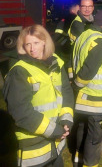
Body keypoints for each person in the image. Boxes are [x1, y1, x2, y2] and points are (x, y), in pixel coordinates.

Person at [3, 24, 74, 167]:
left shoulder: (55, 63)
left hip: (55, 143)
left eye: (36, 43)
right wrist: (54, 130)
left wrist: (66, 120)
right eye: (27, 44)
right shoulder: (19, 71)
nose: (32, 48)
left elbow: (66, 92)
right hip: (34, 146)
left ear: (44, 42)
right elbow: (21, 112)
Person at [70, 9, 102, 167]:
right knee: (95, 138)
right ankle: (91, 164)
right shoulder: (101, 41)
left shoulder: (84, 35)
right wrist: (78, 83)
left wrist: (75, 87)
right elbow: (88, 70)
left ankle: (78, 160)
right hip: (96, 100)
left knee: (82, 129)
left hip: (82, 99)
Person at [53, 3, 79, 80]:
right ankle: (69, 79)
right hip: (67, 47)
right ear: (72, 10)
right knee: (69, 64)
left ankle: (69, 79)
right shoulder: (72, 19)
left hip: (65, 47)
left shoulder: (66, 19)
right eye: (78, 9)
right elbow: (59, 35)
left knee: (68, 64)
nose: (80, 11)